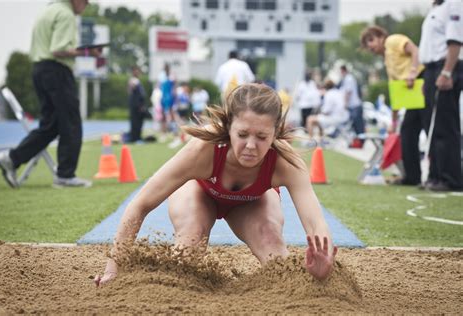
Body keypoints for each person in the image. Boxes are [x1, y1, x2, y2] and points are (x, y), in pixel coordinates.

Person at [94, 83, 337, 286]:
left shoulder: (286, 162)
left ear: (275, 133)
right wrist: (113, 269)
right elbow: (140, 204)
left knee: (276, 254)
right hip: (200, 192)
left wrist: (324, 263)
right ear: (228, 127)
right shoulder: (202, 150)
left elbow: (315, 222)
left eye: (262, 137)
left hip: (253, 203)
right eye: (242, 135)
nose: (251, 146)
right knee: (188, 246)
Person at [0, 0, 98, 188]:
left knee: (51, 125)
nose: (86, 6)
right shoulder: (65, 14)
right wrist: (86, 52)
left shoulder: (48, 10)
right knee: (71, 122)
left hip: (40, 70)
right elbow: (58, 49)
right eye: (85, 2)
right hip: (57, 71)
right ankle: (66, 175)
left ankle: (11, 158)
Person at [360, 25, 427, 186]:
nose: (370, 46)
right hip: (411, 96)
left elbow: (415, 50)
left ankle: (440, 176)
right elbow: (395, 91)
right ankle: (412, 177)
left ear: (380, 36)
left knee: (431, 130)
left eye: (371, 40)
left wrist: (412, 72)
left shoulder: (393, 40)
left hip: (422, 83)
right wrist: (394, 121)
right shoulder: (387, 61)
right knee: (407, 133)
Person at [418, 0, 463, 191]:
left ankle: (450, 178)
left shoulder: (455, 4)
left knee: (445, 125)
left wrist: (446, 72)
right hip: (431, 69)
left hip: (445, 66)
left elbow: (455, 41)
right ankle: (436, 175)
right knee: (432, 126)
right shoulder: (436, 8)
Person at [339, 65, 365, 148]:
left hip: (355, 106)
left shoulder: (348, 79)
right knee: (355, 126)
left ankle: (360, 143)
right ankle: (357, 142)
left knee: (358, 127)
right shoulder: (348, 79)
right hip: (354, 106)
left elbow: (348, 92)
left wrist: (345, 104)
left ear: (343, 71)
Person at [127, 66, 147, 143]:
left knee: (139, 122)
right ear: (133, 72)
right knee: (135, 122)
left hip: (140, 105)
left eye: (138, 71)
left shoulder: (138, 81)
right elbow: (130, 90)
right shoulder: (132, 81)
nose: (137, 72)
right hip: (135, 106)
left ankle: (138, 137)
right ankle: (134, 138)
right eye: (136, 71)